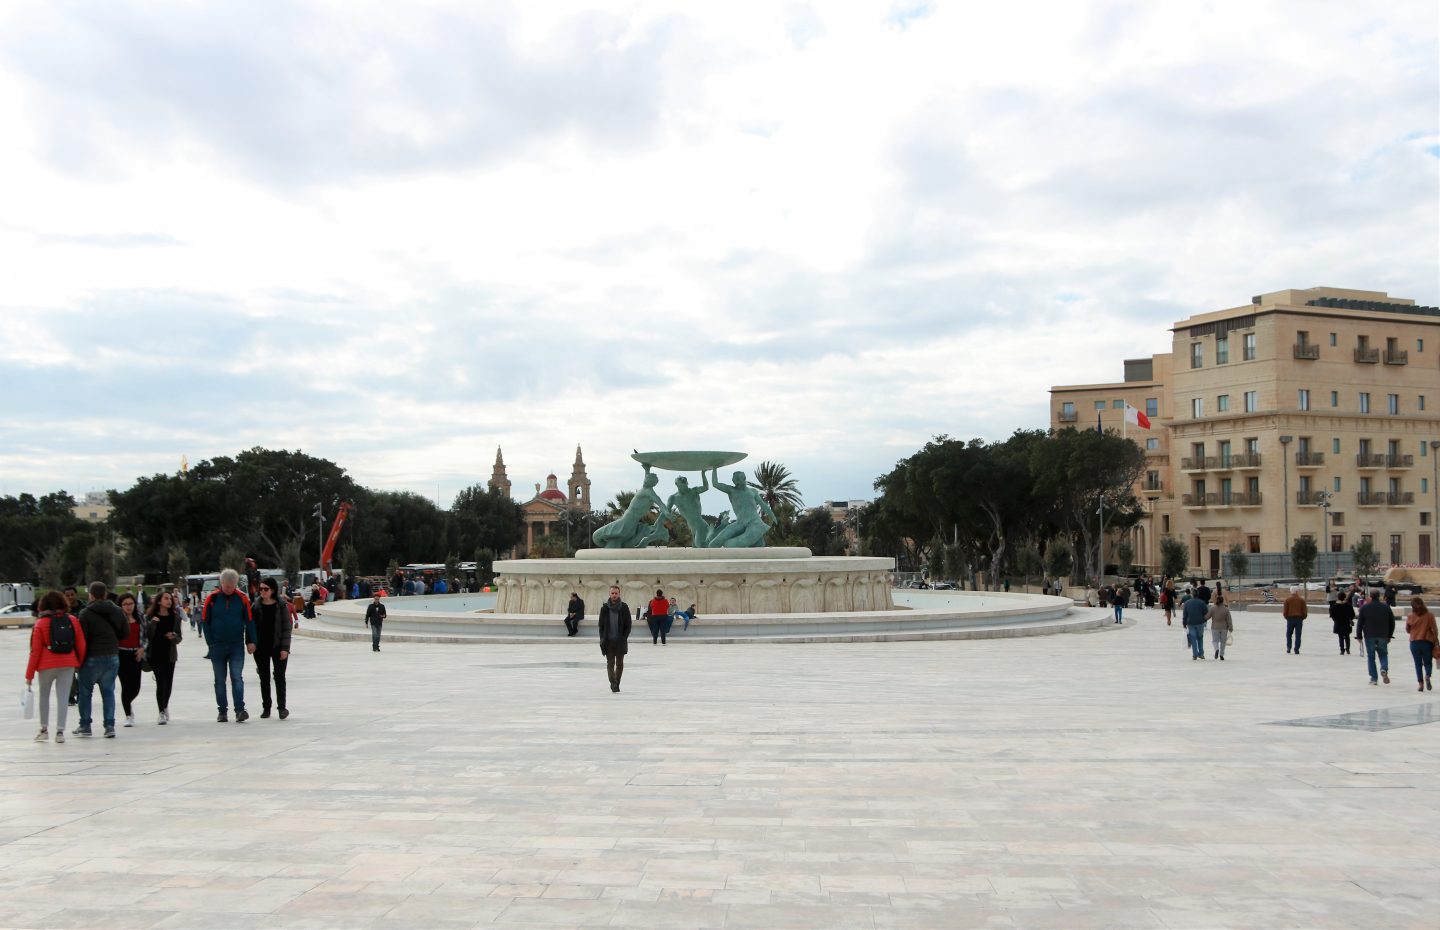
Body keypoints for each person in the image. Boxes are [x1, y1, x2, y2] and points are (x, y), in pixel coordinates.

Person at [26, 591, 87, 744]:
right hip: (68, 663)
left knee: (44, 696)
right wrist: (78, 662)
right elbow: (81, 644)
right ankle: (60, 732)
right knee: (63, 697)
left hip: (46, 665)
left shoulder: (40, 623)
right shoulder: (72, 620)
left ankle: (44, 729)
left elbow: (35, 651)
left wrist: (29, 674)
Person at [202, 568, 256, 722]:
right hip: (217, 646)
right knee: (219, 680)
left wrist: (252, 641)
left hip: (236, 645)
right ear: (221, 583)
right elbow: (205, 622)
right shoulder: (211, 599)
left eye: (232, 586)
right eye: (227, 586)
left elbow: (249, 621)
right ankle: (222, 711)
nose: (229, 589)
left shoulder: (242, 598)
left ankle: (240, 710)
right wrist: (210, 644)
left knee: (237, 677)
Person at [76, 582, 127, 738]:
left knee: (85, 693)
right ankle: (109, 726)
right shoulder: (117, 611)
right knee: (108, 692)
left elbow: (81, 638)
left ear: (91, 595)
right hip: (112, 655)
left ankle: (85, 725)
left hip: (91, 657)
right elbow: (125, 632)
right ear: (105, 594)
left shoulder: (85, 613)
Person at [250, 580, 292, 719]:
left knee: (279, 677)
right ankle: (266, 707)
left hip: (278, 646)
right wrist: (249, 642)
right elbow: (249, 627)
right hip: (261, 648)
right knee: (264, 678)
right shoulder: (255, 606)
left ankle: (282, 708)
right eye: (260, 589)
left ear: (272, 590)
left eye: (265, 589)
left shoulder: (281, 606)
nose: (262, 591)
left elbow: (286, 628)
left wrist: (285, 648)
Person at [145, 589, 183, 724]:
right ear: (159, 601)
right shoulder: (151, 616)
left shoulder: (175, 617)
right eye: (166, 598)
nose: (169, 601)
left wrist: (173, 637)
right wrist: (153, 623)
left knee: (168, 684)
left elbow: (179, 638)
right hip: (155, 654)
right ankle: (161, 711)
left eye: (170, 599)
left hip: (170, 654)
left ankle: (165, 705)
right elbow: (147, 636)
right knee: (161, 683)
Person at [115, 592, 148, 727]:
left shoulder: (141, 618)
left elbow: (146, 637)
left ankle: (128, 705)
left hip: (136, 654)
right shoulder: (117, 619)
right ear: (121, 606)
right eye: (125, 604)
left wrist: (142, 648)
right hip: (121, 654)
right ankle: (128, 714)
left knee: (136, 687)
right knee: (125, 685)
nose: (128, 607)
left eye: (130, 604)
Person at [1356, 589, 1395, 686]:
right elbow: (1392, 622)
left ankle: (1374, 678)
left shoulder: (1364, 608)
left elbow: (1360, 623)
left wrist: (1359, 636)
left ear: (1370, 596)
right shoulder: (1386, 607)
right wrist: (1389, 635)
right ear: (1379, 596)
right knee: (1383, 654)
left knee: (1371, 657)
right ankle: (1383, 669)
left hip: (1369, 635)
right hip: (1383, 635)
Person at [597, 585, 632, 692]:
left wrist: (624, 637)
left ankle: (617, 683)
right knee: (610, 663)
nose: (614, 595)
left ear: (619, 594)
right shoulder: (605, 608)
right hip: (608, 641)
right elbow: (601, 625)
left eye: (616, 593)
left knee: (620, 664)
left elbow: (628, 624)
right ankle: (613, 682)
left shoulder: (624, 607)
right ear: (609, 594)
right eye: (612, 593)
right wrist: (602, 638)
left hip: (620, 641)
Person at [1403, 597, 1436, 693]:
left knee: (1417, 664)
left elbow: (1408, 630)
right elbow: (1434, 629)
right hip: (1426, 642)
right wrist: (1435, 640)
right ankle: (1428, 676)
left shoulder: (1410, 616)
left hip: (1414, 643)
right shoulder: (1430, 615)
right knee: (1428, 662)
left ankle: (1420, 684)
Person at [1181, 585, 1208, 660]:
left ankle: (1195, 654)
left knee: (1193, 639)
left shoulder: (1187, 603)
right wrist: (1205, 620)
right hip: (1200, 623)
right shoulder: (1202, 603)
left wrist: (1184, 623)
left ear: (1192, 594)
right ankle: (1201, 654)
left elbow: (1185, 614)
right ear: (1198, 594)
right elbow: (1206, 612)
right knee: (1200, 638)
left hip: (1190, 623)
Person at [1329, 587, 1356, 655]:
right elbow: (1353, 614)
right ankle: (1348, 649)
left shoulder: (1335, 606)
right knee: (1347, 636)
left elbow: (1332, 614)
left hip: (1338, 623)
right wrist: (1350, 619)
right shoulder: (1348, 605)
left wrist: (1335, 620)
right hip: (1346, 623)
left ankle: (1342, 650)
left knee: (1340, 636)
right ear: (1344, 597)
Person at [1207, 592, 1233, 660]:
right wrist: (1230, 627)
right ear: (1223, 601)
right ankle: (1221, 655)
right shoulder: (1226, 609)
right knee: (1223, 642)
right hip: (1224, 628)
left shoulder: (1213, 608)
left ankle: (1216, 649)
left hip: (1215, 627)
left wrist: (1202, 618)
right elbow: (1229, 620)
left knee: (1215, 641)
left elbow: (1207, 617)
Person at [1282, 585, 1307, 654]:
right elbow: (1305, 611)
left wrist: (1287, 617)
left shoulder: (1287, 600)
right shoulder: (1302, 600)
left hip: (1290, 619)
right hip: (1299, 619)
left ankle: (1288, 647)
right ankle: (1296, 649)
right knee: (1298, 635)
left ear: (1291, 592)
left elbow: (1285, 611)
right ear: (1297, 591)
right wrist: (1303, 617)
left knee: (1289, 634)